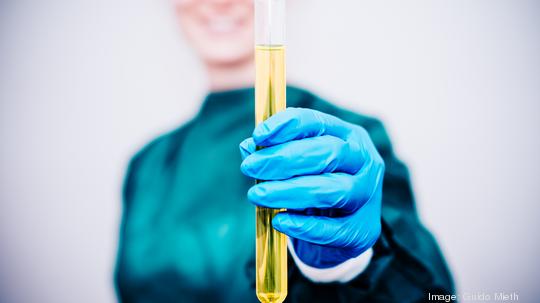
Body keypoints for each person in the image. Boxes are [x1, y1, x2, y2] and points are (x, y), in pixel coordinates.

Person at [114, 0, 454, 302]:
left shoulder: (341, 145)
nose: (219, 2)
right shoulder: (149, 165)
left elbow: (433, 296)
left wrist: (352, 264)